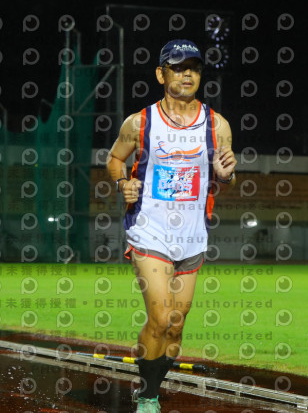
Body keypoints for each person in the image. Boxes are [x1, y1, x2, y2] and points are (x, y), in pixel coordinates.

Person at [106, 39, 236, 412]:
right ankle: (148, 397)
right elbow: (114, 159)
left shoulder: (217, 125)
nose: (187, 75)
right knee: (161, 317)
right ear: (161, 75)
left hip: (192, 236)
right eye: (178, 68)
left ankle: (151, 384)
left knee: (176, 326)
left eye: (193, 68)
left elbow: (225, 179)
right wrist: (122, 183)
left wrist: (226, 175)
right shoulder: (140, 122)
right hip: (149, 231)